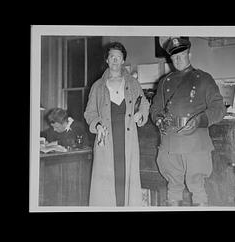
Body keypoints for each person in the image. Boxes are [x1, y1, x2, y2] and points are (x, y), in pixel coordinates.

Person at [150, 37, 226, 206]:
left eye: (181, 55)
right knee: (173, 189)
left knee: (197, 188)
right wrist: (158, 119)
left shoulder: (203, 78)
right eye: (174, 57)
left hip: (195, 145)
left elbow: (219, 109)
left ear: (189, 55)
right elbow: (155, 108)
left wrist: (199, 120)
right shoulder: (164, 82)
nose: (177, 59)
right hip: (170, 144)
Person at [84, 42, 150, 207]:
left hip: (127, 140)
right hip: (106, 140)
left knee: (126, 180)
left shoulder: (133, 84)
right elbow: (89, 113)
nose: (115, 60)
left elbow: (144, 104)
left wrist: (141, 113)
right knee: (106, 185)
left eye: (118, 57)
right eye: (111, 57)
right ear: (107, 60)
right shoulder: (97, 86)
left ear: (123, 61)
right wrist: (97, 125)